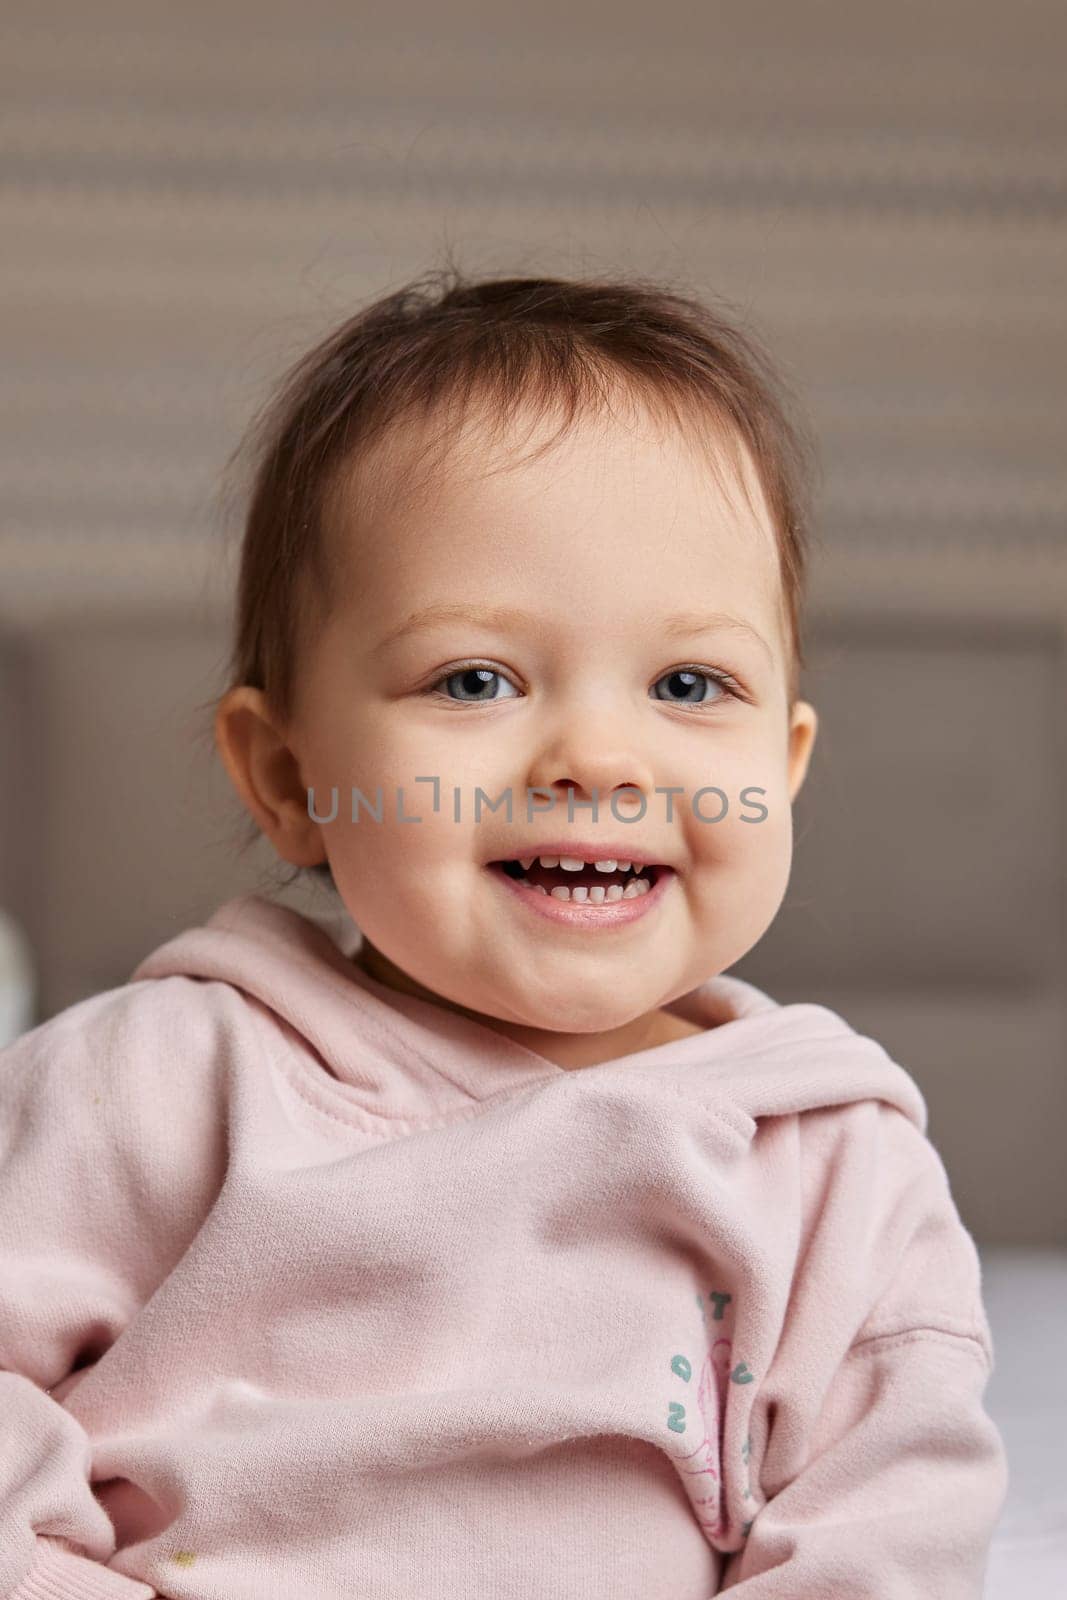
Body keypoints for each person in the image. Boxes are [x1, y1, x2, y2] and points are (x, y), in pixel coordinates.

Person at [0, 267, 1008, 1597]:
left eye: (690, 683)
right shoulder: (159, 1081)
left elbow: (892, 1534)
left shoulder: (834, 1174)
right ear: (292, 777)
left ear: (787, 759)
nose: (598, 755)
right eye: (476, 678)